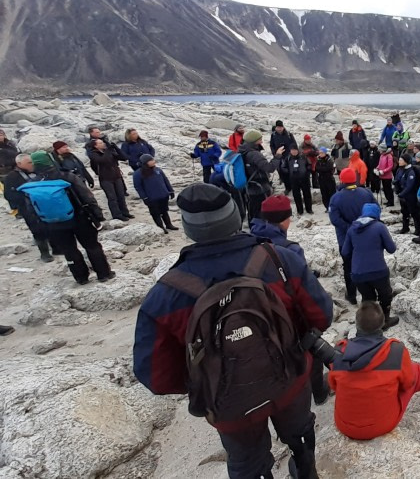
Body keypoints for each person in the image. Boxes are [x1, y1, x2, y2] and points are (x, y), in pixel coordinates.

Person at [134, 183, 333, 478]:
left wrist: (208, 376)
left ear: (187, 228)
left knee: (246, 461)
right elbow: (321, 315)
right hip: (289, 378)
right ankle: (305, 470)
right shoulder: (280, 260)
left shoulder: (164, 295)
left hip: (228, 403)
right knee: (300, 432)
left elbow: (156, 376)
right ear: (234, 216)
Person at [249, 194, 331, 405]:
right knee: (310, 356)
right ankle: (318, 391)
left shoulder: (249, 241)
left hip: (258, 314)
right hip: (289, 314)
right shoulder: (290, 249)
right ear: (285, 219)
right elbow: (303, 287)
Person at [328, 302, 420, 440]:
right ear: (382, 323)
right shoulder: (395, 350)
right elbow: (408, 383)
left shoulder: (339, 351)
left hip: (345, 425)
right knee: (413, 371)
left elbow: (333, 385)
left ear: (356, 324)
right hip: (381, 425)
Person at [30, 151, 113, 284]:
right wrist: (97, 214)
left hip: (54, 223)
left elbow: (31, 207)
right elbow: (86, 196)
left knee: (69, 250)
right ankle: (104, 274)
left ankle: (81, 278)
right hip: (79, 218)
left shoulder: (33, 184)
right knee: (92, 246)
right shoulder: (67, 176)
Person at [341, 203, 400, 328]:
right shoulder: (379, 227)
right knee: (386, 295)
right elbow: (391, 249)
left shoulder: (352, 228)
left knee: (368, 298)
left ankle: (369, 325)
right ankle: (385, 320)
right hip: (378, 271)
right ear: (377, 214)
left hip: (358, 274)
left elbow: (345, 252)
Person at [329, 169, 377, 304]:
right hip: (366, 235)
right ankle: (369, 296)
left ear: (342, 180)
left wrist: (350, 228)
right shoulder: (366, 193)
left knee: (349, 266)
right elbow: (376, 209)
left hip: (345, 239)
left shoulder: (336, 197)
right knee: (367, 264)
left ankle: (351, 295)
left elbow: (335, 219)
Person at [4, 154, 54, 262]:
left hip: (44, 204)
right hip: (27, 208)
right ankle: (45, 254)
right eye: (29, 163)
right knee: (37, 231)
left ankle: (56, 248)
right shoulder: (12, 177)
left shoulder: (38, 172)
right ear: (19, 164)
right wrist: (25, 197)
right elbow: (8, 195)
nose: (32, 165)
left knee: (51, 226)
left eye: (32, 162)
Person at [238, 129, 284, 226]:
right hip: (259, 188)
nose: (261, 141)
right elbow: (269, 168)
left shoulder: (243, 150)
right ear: (254, 141)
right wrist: (278, 156)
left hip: (249, 187)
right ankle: (259, 233)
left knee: (252, 211)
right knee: (260, 213)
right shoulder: (254, 154)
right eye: (260, 139)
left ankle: (253, 229)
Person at [88, 137, 133, 221]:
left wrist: (115, 148)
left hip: (116, 176)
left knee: (121, 196)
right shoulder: (94, 154)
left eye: (103, 142)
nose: (103, 144)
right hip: (106, 179)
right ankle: (117, 215)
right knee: (112, 198)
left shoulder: (108, 152)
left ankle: (125, 212)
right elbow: (102, 161)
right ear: (96, 146)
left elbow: (123, 157)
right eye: (100, 143)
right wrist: (108, 150)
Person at [133, 155, 178, 234]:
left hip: (163, 195)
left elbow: (165, 180)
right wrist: (144, 198)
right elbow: (138, 187)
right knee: (155, 213)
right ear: (145, 163)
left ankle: (169, 225)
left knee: (164, 211)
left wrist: (170, 191)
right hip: (151, 198)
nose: (153, 161)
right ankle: (160, 227)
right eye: (151, 160)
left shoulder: (157, 170)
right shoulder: (138, 174)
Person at [394, 154, 420, 235]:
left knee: (414, 213)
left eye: (401, 160)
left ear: (406, 161)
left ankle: (417, 230)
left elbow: (410, 186)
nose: (399, 162)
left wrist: (401, 194)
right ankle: (405, 227)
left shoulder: (411, 171)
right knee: (404, 212)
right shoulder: (400, 169)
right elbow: (397, 179)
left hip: (410, 196)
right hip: (402, 195)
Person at [282, 146, 313, 215]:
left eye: (295, 150)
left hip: (304, 178)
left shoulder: (303, 156)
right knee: (296, 195)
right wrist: (289, 171)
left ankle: (309, 209)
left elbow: (309, 164)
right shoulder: (288, 158)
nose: (294, 152)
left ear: (298, 150)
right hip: (294, 179)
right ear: (290, 151)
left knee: (307, 194)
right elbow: (283, 167)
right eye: (292, 150)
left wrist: (307, 172)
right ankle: (300, 210)